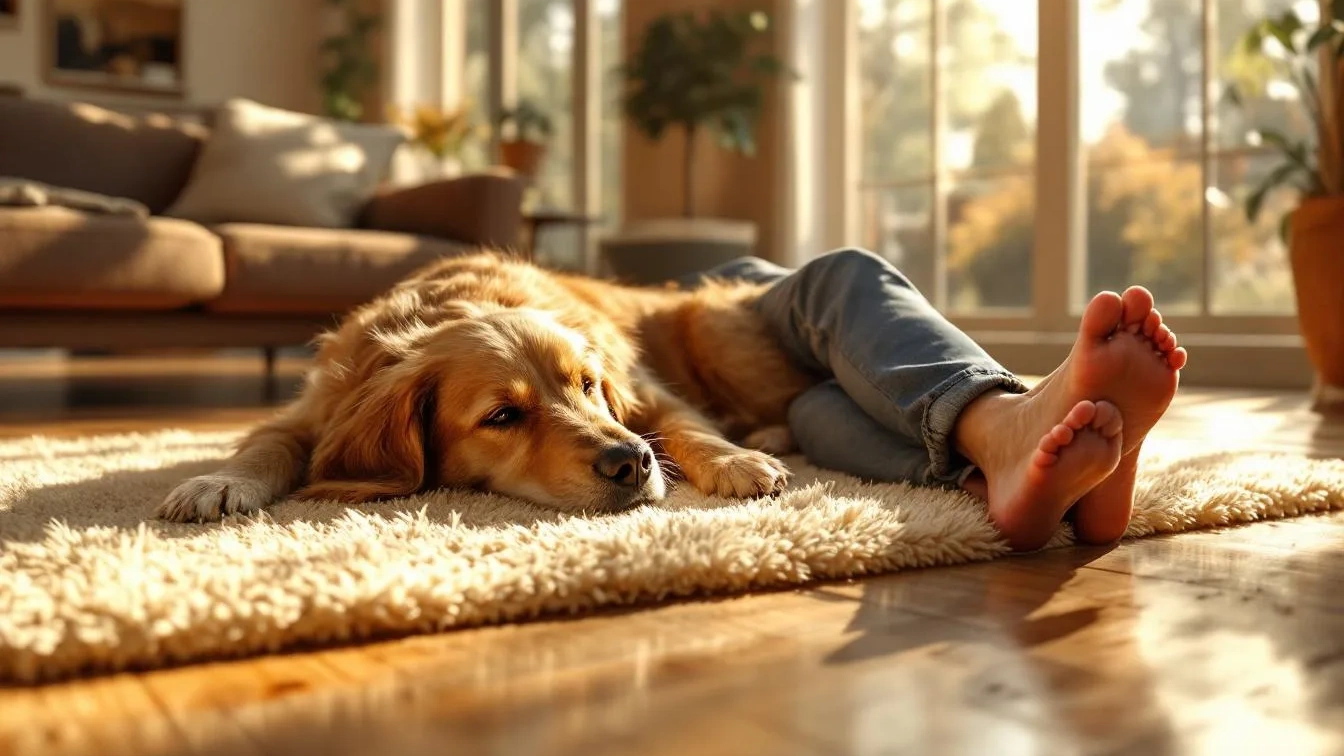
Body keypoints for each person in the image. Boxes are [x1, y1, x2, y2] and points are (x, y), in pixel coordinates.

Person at [684, 249, 1187, 552]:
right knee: (821, 370)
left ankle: (991, 461)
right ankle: (999, 444)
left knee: (823, 347)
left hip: (738, 329)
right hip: (752, 365)